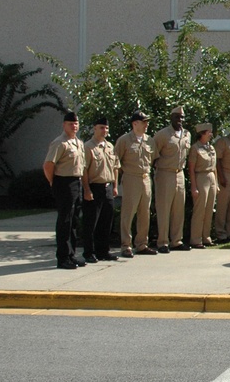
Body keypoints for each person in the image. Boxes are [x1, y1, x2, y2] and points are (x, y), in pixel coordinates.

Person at [43, 110, 86, 269]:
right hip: (63, 182)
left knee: (74, 220)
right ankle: (62, 258)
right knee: (65, 221)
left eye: (76, 123)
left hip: (76, 182)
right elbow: (48, 165)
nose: (74, 126)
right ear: (64, 125)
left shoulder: (78, 143)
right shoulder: (60, 143)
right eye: (71, 123)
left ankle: (71, 254)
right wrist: (53, 182)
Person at [114, 110, 157, 258]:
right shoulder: (124, 140)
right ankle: (126, 245)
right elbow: (116, 161)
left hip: (145, 178)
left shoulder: (149, 140)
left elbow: (153, 159)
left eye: (147, 122)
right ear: (135, 124)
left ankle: (142, 244)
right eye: (143, 122)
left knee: (145, 212)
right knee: (128, 212)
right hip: (131, 178)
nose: (146, 125)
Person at [152, 105, 191, 253]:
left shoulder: (187, 134)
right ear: (171, 118)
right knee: (164, 208)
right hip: (165, 173)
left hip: (180, 173)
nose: (180, 120)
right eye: (177, 117)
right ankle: (162, 241)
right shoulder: (162, 135)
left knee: (178, 209)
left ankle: (177, 240)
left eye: (182, 117)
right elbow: (153, 154)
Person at [81, 116, 119, 264]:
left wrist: (115, 186)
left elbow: (116, 167)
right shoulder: (88, 146)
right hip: (94, 187)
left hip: (108, 187)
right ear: (95, 128)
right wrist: (86, 189)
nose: (105, 130)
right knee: (91, 223)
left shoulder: (110, 146)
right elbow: (84, 170)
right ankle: (89, 252)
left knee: (106, 222)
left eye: (106, 128)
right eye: (101, 127)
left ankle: (103, 251)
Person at [188, 123, 218, 248]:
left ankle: (206, 236)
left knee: (209, 209)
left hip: (211, 177)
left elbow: (214, 166)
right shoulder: (195, 148)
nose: (210, 134)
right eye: (208, 132)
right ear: (202, 133)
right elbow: (191, 169)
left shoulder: (210, 147)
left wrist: (216, 183)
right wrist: (194, 186)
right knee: (200, 209)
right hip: (201, 177)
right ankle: (196, 239)